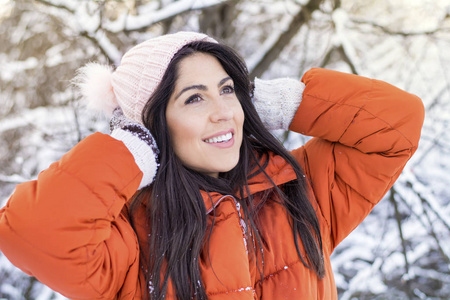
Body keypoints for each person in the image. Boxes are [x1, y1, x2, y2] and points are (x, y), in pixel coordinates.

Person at [0, 31, 424, 299]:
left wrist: (281, 101)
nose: (225, 111)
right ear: (150, 124)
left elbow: (397, 125)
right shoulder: (131, 240)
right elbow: (31, 232)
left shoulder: (298, 193)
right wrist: (133, 148)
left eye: (228, 90)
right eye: (195, 98)